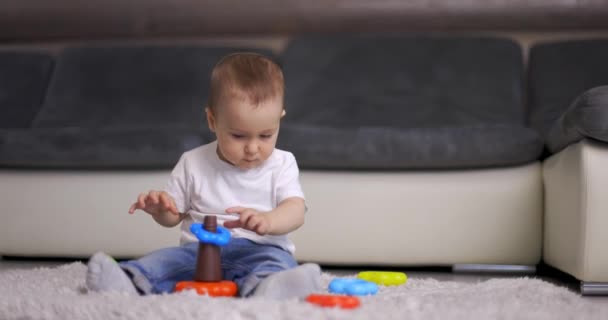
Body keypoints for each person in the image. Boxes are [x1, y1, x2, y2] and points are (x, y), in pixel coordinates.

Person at [86, 52, 321, 299]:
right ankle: (127, 280)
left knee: (276, 264)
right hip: (198, 251)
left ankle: (274, 287)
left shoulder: (283, 163)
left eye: (265, 135)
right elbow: (173, 217)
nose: (252, 148)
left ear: (279, 120)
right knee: (165, 261)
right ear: (212, 120)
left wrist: (269, 221)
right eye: (238, 136)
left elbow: (295, 210)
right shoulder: (192, 161)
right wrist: (161, 209)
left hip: (261, 250)